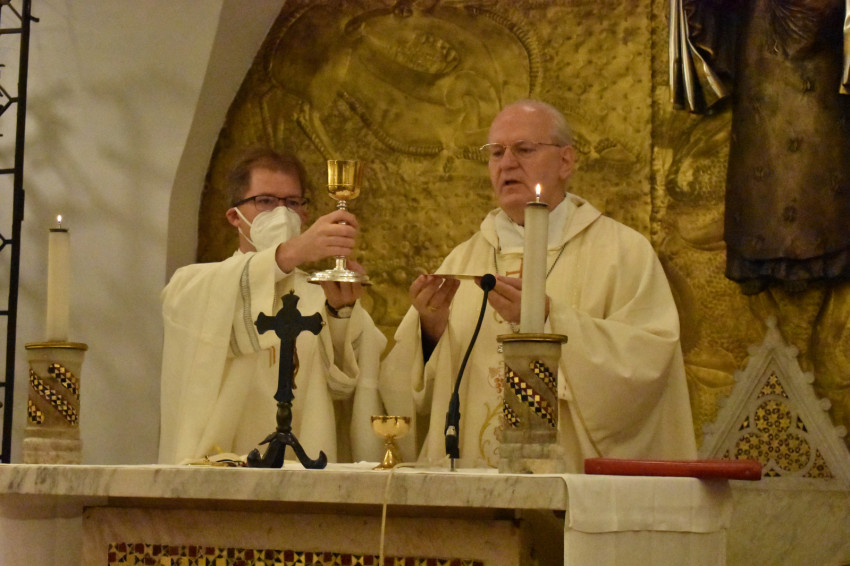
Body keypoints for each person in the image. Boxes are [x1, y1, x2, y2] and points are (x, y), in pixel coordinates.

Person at [380, 100, 697, 470]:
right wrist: (431, 331)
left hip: (572, 483)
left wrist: (548, 318)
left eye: (524, 149)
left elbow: (647, 364)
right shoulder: (463, 261)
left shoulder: (622, 253)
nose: (506, 163)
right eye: (496, 152)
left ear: (566, 161)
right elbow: (405, 391)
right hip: (473, 482)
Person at [158, 148, 385, 464]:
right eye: (265, 201)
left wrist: (340, 313)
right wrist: (292, 252)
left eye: (292, 203)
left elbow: (345, 389)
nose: (281, 213)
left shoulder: (322, 294)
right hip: (219, 470)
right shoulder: (196, 285)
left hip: (307, 468)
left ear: (304, 214)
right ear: (234, 216)